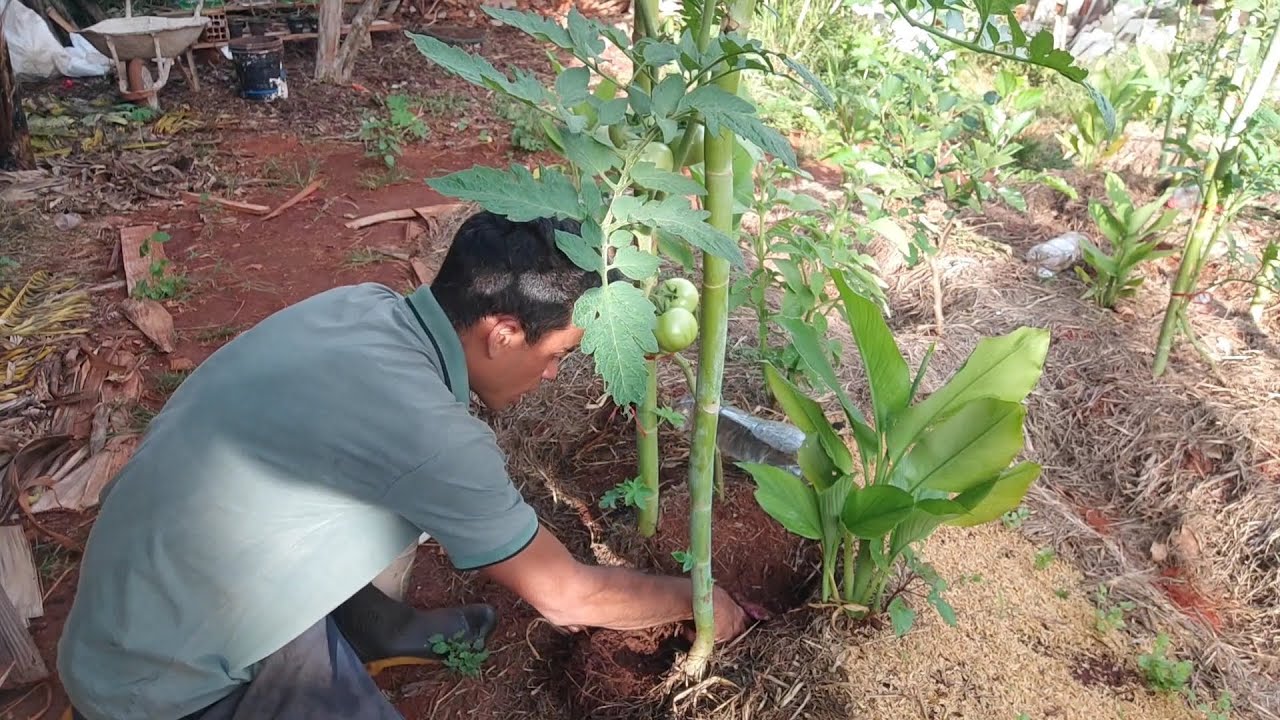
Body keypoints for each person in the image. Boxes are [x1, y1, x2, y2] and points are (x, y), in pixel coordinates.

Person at [56, 210, 750, 720]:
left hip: (147, 589)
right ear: (502, 332)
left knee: (369, 494)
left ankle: (376, 630)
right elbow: (564, 595)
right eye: (557, 356)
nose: (551, 375)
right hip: (163, 682)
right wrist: (698, 601)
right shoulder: (435, 437)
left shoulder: (364, 307)